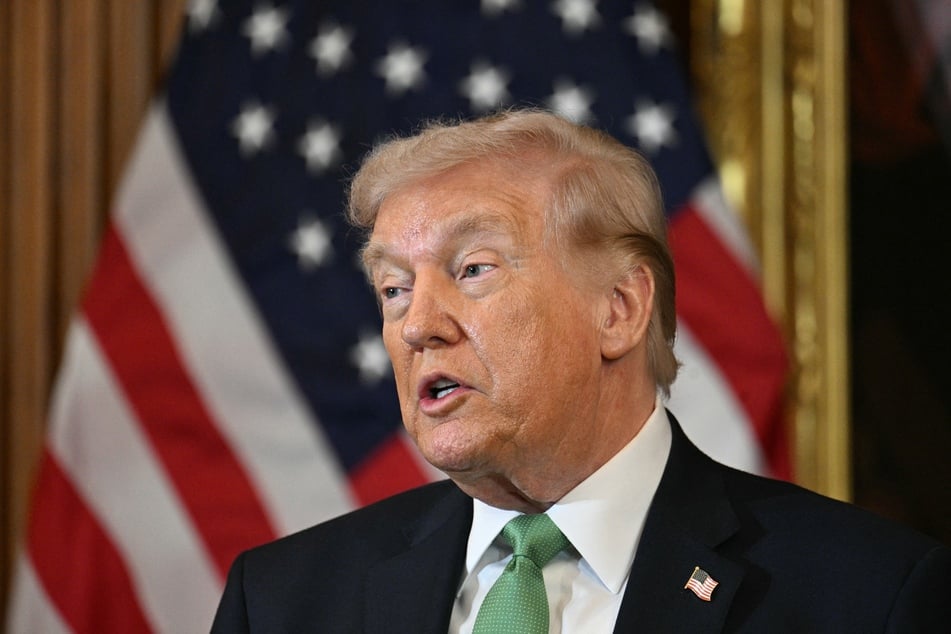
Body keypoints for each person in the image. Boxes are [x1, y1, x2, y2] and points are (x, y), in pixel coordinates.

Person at [211, 110, 951, 632]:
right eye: (393, 288)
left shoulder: (865, 597)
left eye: (472, 269)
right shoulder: (283, 602)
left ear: (619, 309)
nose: (415, 326)